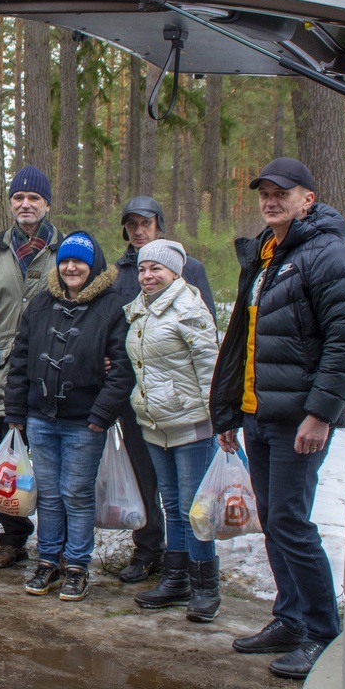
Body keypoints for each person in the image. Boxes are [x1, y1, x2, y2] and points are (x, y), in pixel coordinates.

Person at [210, 158, 345, 680]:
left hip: (298, 419)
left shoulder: (329, 256)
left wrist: (320, 414)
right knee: (275, 523)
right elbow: (243, 340)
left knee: (291, 524)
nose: (271, 200)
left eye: (284, 192)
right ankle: (289, 618)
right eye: (265, 193)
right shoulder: (268, 254)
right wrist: (231, 408)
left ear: (309, 199)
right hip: (259, 413)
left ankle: (323, 635)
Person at [4, 231, 135, 602]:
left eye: (79, 261)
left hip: (84, 421)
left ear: (92, 266)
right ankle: (49, 560)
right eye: (65, 260)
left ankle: (76, 565)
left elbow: (123, 368)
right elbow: (20, 358)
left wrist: (101, 414)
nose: (71, 267)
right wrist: (16, 409)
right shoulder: (42, 303)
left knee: (75, 494)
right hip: (41, 417)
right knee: (48, 494)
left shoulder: (111, 307)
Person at [110, 195, 216, 584]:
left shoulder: (190, 270)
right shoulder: (118, 273)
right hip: (137, 399)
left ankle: (192, 569)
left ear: (159, 224)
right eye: (132, 224)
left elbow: (205, 340)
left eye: (146, 223)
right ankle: (148, 549)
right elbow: (112, 328)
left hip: (183, 405)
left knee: (185, 496)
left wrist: (212, 408)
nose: (139, 230)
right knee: (146, 479)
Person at [0, 165, 61, 568]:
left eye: (33, 198)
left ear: (47, 204)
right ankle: (13, 538)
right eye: (19, 198)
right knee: (7, 462)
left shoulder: (65, 249)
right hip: (4, 374)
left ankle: (59, 545)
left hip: (56, 372)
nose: (25, 205)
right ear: (10, 204)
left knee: (54, 466)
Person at [123, 239, 222, 622]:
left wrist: (217, 419)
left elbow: (210, 368)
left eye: (156, 270)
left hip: (191, 424)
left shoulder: (189, 310)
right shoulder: (139, 311)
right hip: (153, 424)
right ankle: (176, 579)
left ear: (176, 272)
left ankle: (205, 587)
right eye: (143, 269)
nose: (147, 276)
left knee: (193, 509)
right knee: (172, 506)